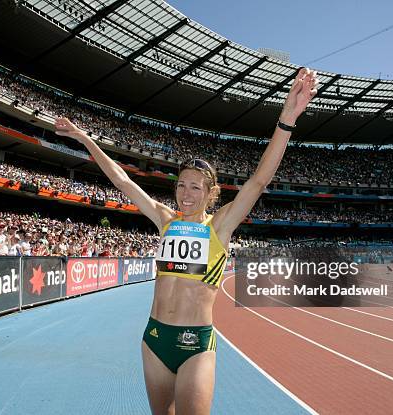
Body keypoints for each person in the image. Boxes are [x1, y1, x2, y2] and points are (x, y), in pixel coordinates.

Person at [55, 67, 318, 414]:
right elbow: (122, 181)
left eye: (195, 186)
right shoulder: (165, 220)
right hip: (154, 340)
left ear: (210, 193)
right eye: (181, 184)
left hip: (196, 345)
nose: (186, 192)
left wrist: (286, 120)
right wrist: (84, 138)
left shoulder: (219, 226)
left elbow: (256, 182)